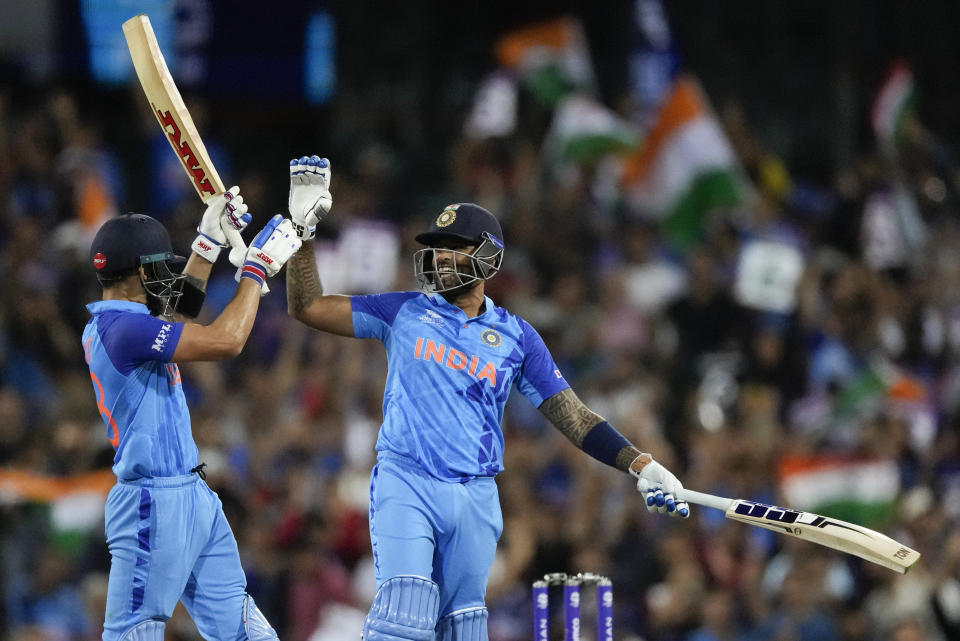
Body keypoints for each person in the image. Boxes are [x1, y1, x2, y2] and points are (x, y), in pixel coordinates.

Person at [283, 155, 691, 641]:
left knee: (464, 630)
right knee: (402, 616)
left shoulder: (516, 337)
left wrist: (640, 464)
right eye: (435, 248)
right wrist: (300, 232)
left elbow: (575, 418)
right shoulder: (403, 311)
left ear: (488, 257)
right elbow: (307, 307)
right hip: (406, 480)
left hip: (477, 495)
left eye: (454, 247)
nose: (439, 257)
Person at [82, 188, 300, 641]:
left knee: (240, 628)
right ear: (141, 272)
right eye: (162, 266)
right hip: (151, 502)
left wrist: (207, 242)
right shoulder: (122, 328)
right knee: (133, 634)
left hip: (188, 494)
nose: (167, 274)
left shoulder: (124, 320)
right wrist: (255, 273)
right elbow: (227, 341)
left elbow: (174, 309)